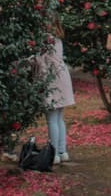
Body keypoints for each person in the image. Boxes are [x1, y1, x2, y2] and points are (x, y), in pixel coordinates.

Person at [35, 13, 75, 164]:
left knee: (52, 118)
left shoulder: (45, 39)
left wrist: (40, 82)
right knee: (59, 118)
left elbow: (41, 63)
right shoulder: (57, 38)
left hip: (52, 80)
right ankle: (62, 150)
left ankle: (54, 154)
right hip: (63, 77)